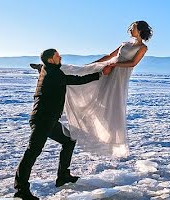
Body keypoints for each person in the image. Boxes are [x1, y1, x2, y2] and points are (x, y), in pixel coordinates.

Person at [14, 48, 109, 200]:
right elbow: (76, 80)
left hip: (49, 120)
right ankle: (21, 190)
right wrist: (100, 74)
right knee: (32, 152)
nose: (61, 57)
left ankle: (63, 176)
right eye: (58, 56)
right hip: (42, 120)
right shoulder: (55, 75)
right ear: (51, 60)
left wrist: (38, 66)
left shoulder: (47, 68)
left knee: (69, 141)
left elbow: (41, 66)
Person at [59, 21, 151, 158]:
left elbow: (132, 63)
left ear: (140, 30)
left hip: (119, 75)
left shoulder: (143, 47)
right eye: (131, 28)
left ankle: (109, 138)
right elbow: (109, 56)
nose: (130, 30)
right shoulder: (124, 44)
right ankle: (52, 69)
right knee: (85, 73)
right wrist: (95, 64)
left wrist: (115, 65)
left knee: (109, 102)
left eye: (133, 28)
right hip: (109, 67)